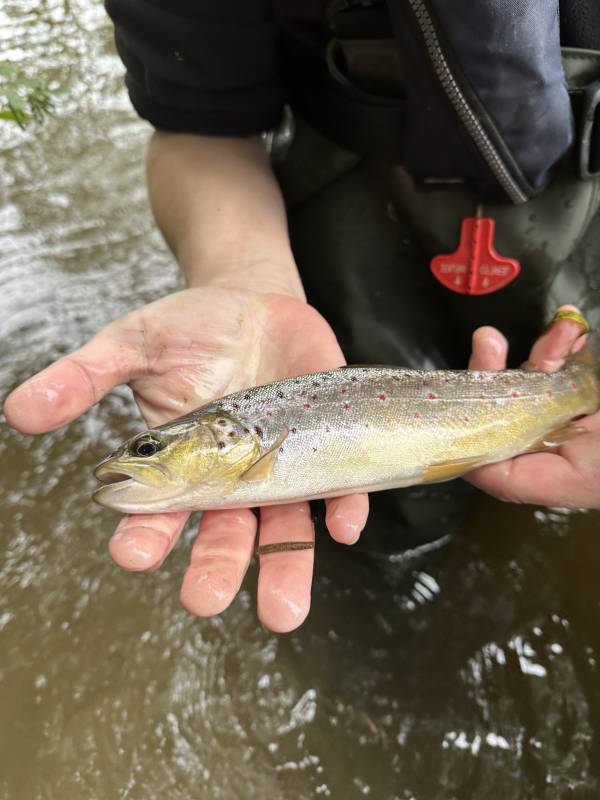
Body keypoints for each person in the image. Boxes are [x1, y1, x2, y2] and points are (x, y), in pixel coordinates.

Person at [4, 1, 600, 633]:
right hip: (339, 250)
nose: (140, 455)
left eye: (151, 447)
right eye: (150, 447)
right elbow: (202, 127)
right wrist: (242, 277)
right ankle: (391, 616)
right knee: (384, 540)